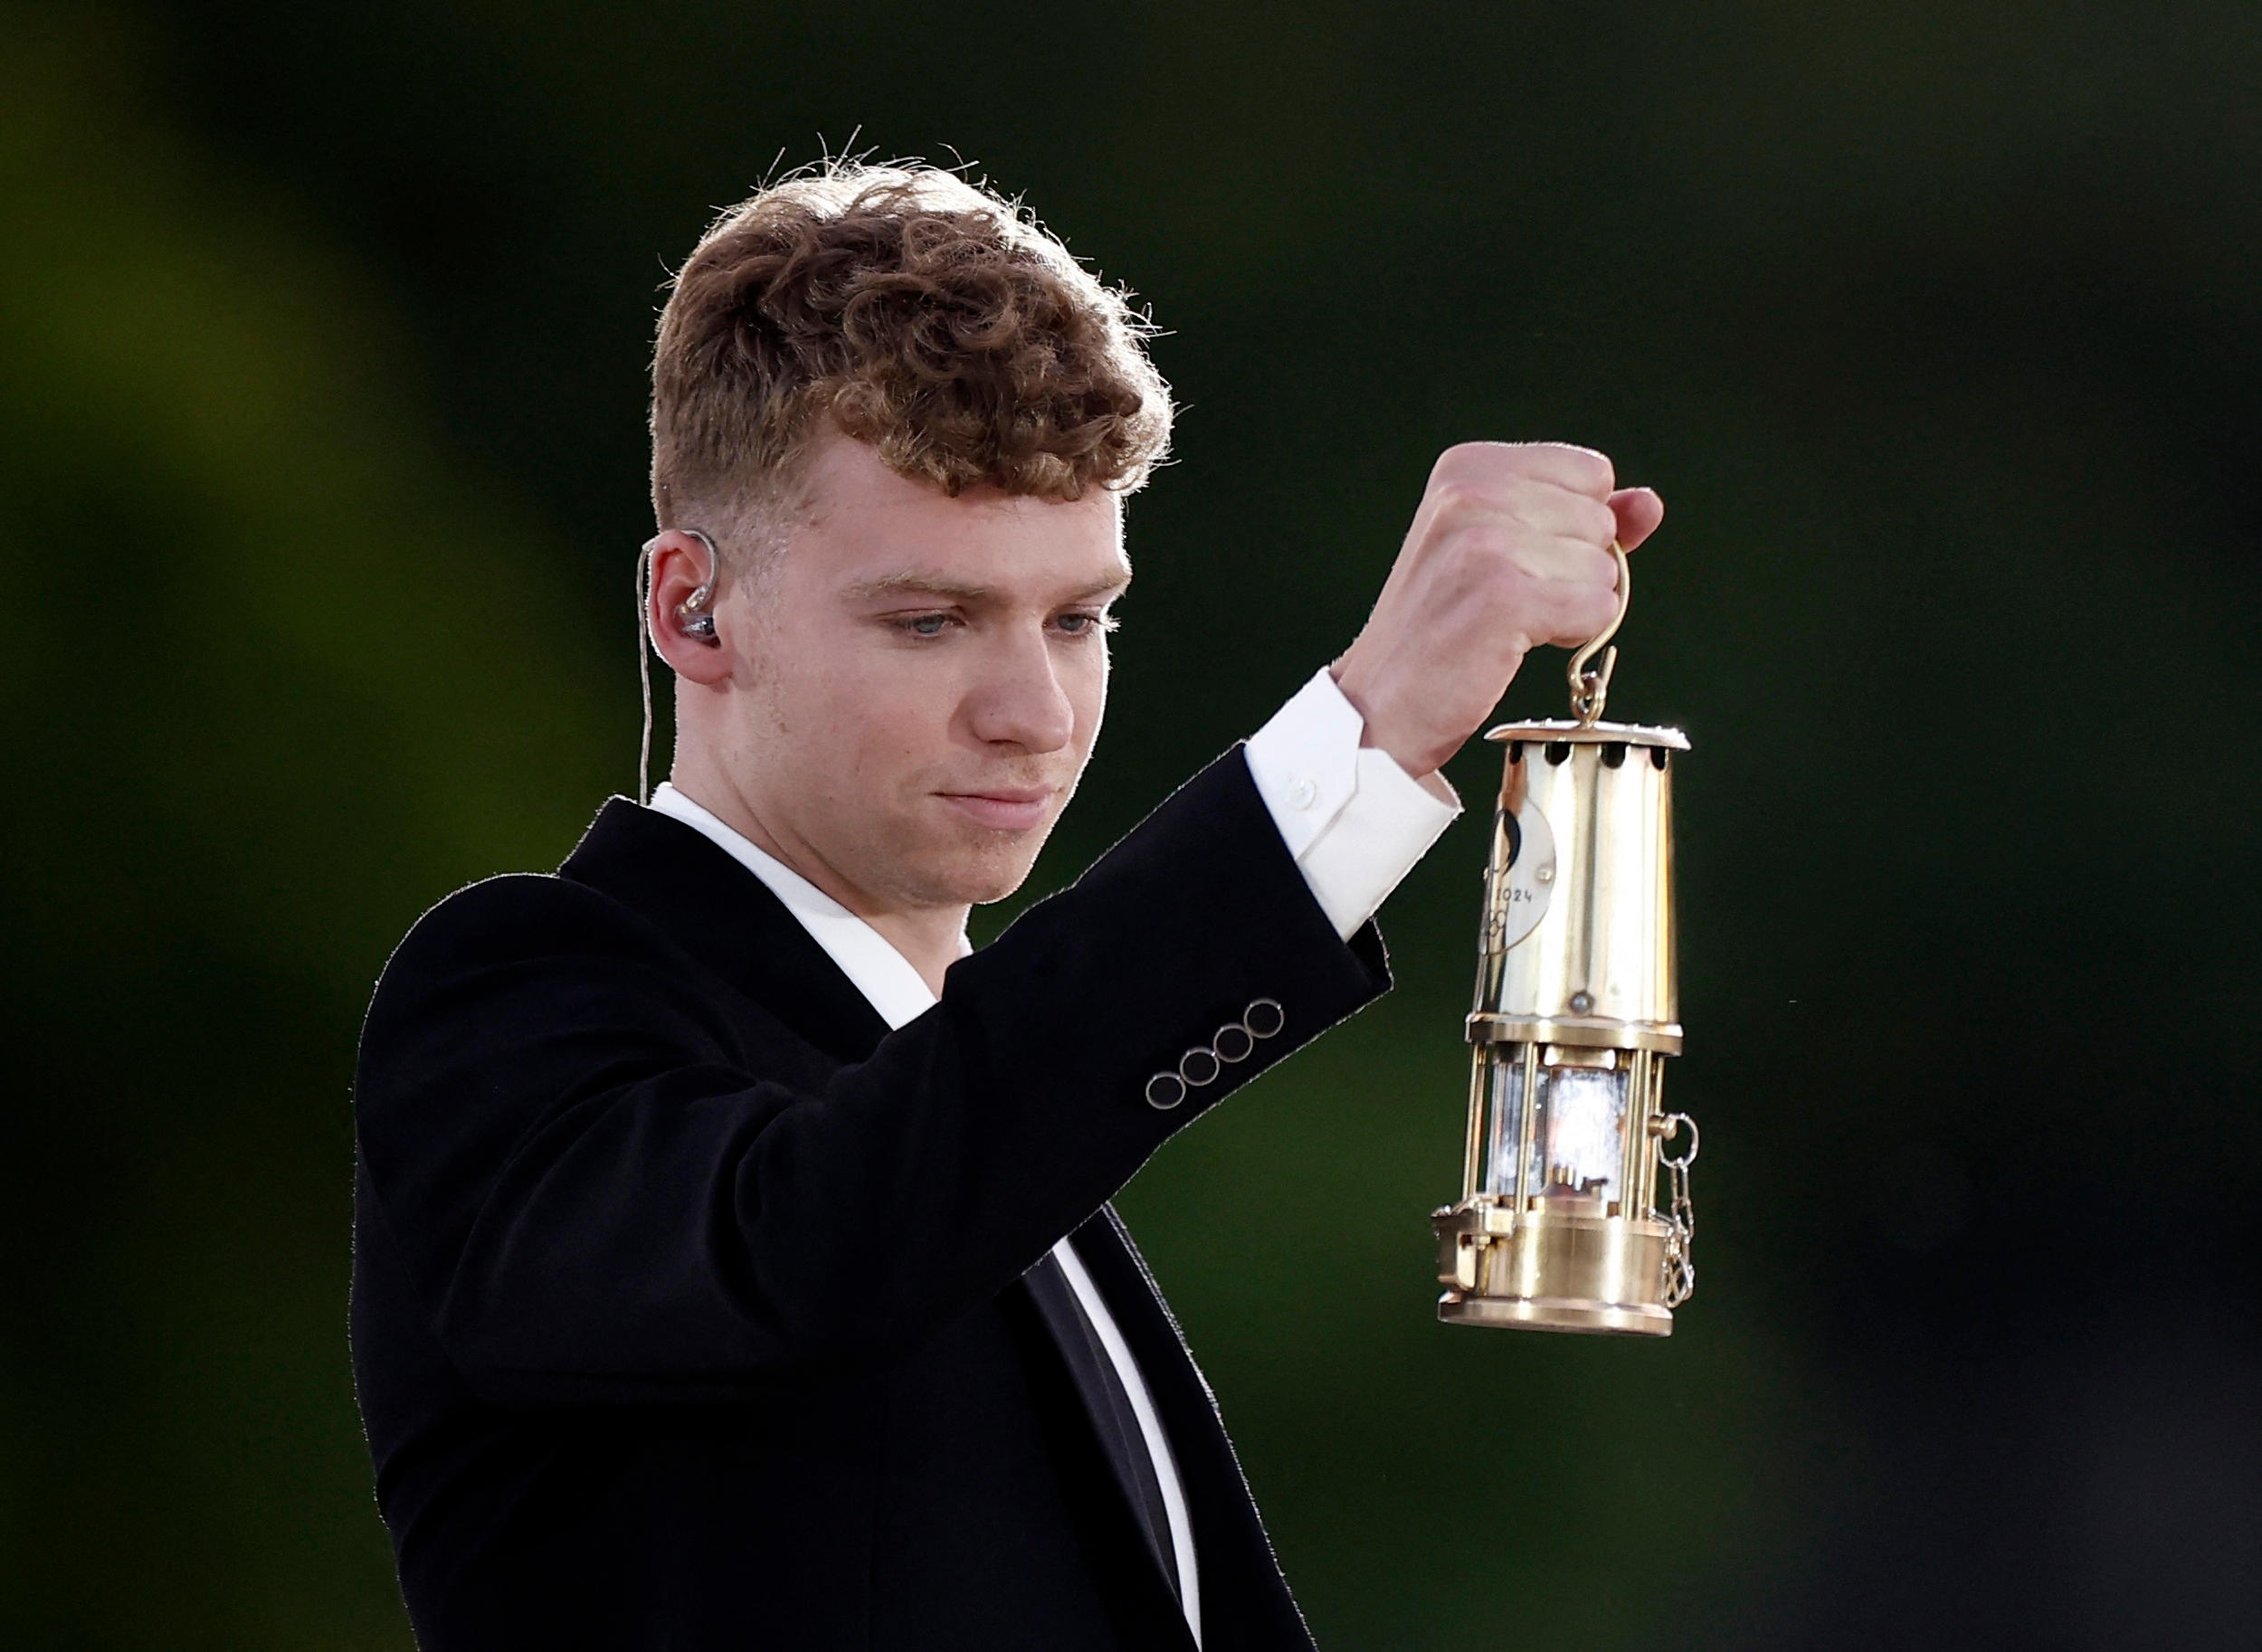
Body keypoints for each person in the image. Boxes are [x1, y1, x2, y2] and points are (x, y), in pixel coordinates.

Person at [349, 162, 1663, 1651]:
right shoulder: (511, 995)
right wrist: (1356, 741)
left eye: (1078, 617)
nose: (1035, 711)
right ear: (687, 608)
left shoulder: (984, 1134)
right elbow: (815, 1241)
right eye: (930, 619)